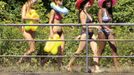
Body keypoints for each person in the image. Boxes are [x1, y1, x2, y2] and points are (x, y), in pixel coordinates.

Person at [65, 0, 98, 72]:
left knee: (95, 51)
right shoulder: (82, 13)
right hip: (85, 34)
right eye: (88, 2)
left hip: (91, 34)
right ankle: (68, 65)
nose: (89, 3)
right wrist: (95, 26)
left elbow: (91, 23)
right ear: (84, 4)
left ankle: (97, 69)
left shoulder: (88, 13)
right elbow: (84, 26)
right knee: (79, 51)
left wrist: (95, 27)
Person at [94, 0, 120, 72]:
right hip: (102, 31)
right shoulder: (101, 10)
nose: (109, 3)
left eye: (110, 2)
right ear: (104, 3)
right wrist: (108, 29)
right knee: (101, 50)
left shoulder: (110, 11)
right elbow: (101, 23)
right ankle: (96, 67)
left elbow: (109, 22)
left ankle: (117, 68)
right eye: (107, 2)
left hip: (109, 32)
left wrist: (111, 30)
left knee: (114, 48)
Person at [40, 0, 67, 67]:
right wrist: (51, 32)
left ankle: (59, 66)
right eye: (60, 0)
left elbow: (60, 21)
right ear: (56, 1)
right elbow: (50, 22)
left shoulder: (61, 11)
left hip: (61, 32)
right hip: (55, 32)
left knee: (62, 49)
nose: (62, 1)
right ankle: (44, 61)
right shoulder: (53, 11)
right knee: (53, 50)